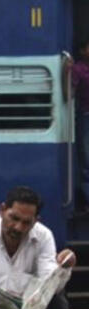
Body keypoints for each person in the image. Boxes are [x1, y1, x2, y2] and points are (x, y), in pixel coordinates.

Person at [65, 39, 89, 205]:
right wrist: (66, 73)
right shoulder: (78, 69)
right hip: (86, 115)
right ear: (82, 51)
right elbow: (68, 94)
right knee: (86, 159)